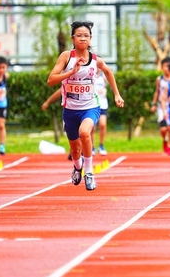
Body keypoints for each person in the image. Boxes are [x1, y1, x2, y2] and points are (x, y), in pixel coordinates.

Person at [47, 21, 124, 191]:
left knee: (85, 133)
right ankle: (77, 167)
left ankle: (89, 173)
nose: (83, 38)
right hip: (70, 110)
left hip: (90, 107)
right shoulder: (66, 57)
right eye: (79, 35)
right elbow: (51, 80)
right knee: (75, 150)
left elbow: (108, 72)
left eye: (86, 36)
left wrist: (117, 94)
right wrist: (71, 72)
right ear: (72, 38)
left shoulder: (95, 60)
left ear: (90, 38)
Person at [150, 56, 170, 155]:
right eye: (165, 66)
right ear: (162, 67)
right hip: (162, 107)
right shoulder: (159, 79)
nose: (167, 68)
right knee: (164, 129)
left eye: (169, 66)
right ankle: (165, 140)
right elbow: (157, 92)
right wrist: (153, 104)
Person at [92, 70, 109, 156]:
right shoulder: (90, 75)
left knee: (103, 124)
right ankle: (92, 147)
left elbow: (110, 80)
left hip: (103, 104)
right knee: (92, 127)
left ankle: (101, 145)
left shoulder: (103, 76)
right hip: (93, 104)